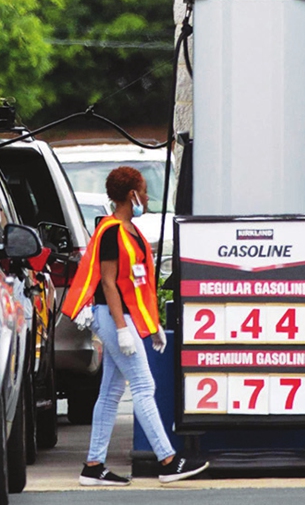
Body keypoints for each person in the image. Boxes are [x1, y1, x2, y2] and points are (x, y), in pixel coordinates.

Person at [60, 165, 208, 485]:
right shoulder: (112, 231)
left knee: (111, 391)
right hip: (114, 318)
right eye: (143, 190)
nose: (147, 196)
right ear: (132, 194)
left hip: (122, 318)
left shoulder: (130, 231)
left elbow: (136, 285)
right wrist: (122, 329)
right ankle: (168, 460)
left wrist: (151, 325)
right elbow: (110, 284)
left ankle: (93, 466)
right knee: (143, 387)